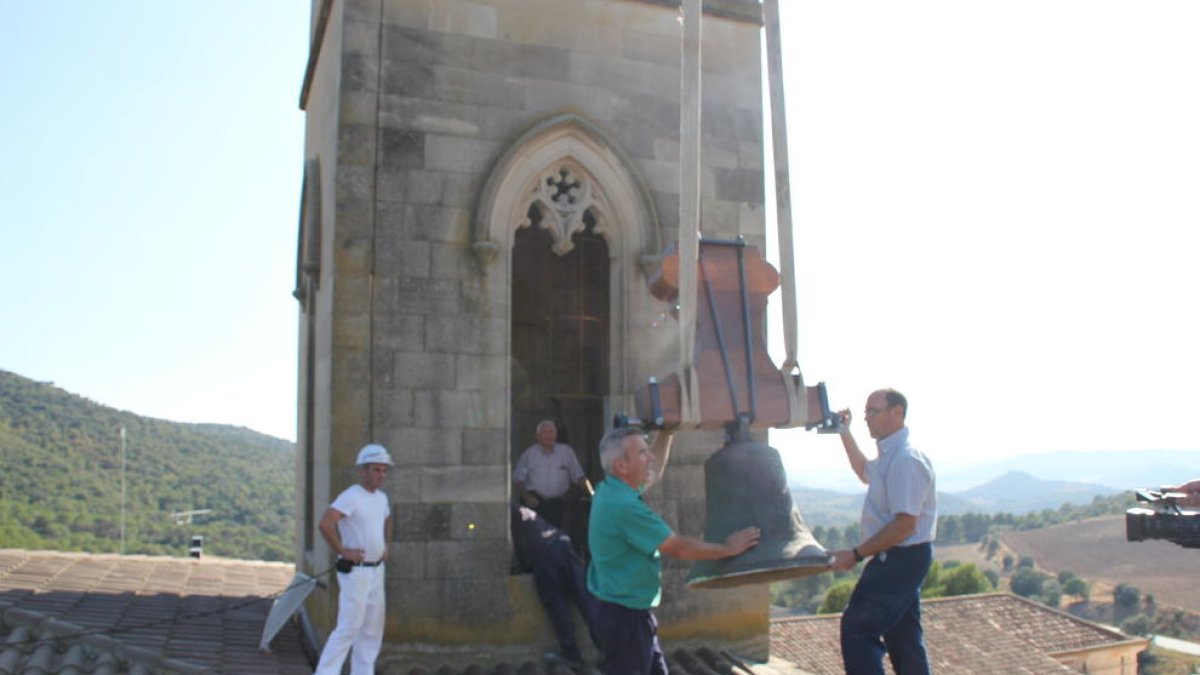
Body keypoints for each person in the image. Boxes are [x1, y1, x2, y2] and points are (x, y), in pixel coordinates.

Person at [587, 426, 761, 675]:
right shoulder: (624, 507)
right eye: (642, 452)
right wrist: (727, 548)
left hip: (626, 610)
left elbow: (653, 472)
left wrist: (666, 434)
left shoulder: (611, 489)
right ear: (621, 466)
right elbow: (678, 547)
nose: (650, 456)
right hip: (624, 618)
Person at [828, 389, 937, 675]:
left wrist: (856, 554)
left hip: (900, 558)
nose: (867, 417)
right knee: (904, 638)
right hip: (904, 558)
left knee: (857, 628)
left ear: (897, 412)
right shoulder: (890, 457)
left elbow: (905, 525)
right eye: (866, 411)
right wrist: (844, 432)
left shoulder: (905, 460)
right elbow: (863, 470)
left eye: (873, 411)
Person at [314, 443, 394, 675]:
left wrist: (386, 545)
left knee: (372, 629)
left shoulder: (381, 498)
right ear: (362, 471)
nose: (381, 475)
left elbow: (387, 520)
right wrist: (342, 551)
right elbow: (326, 524)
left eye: (384, 470)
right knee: (349, 627)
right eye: (376, 469)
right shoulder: (351, 496)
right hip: (356, 571)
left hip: (376, 570)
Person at [511, 503, 597, 671]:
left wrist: (518, 567)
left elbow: (510, 547)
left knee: (556, 603)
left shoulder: (508, 514)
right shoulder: (522, 511)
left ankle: (571, 654)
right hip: (563, 542)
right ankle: (608, 649)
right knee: (585, 598)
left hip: (544, 553)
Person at [513, 420, 592, 528]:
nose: (548, 436)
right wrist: (527, 497)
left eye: (551, 432)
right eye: (544, 432)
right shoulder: (529, 455)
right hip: (536, 504)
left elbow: (580, 477)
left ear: (556, 435)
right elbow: (518, 478)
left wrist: (592, 493)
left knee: (558, 534)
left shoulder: (566, 452)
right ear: (538, 436)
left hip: (558, 504)